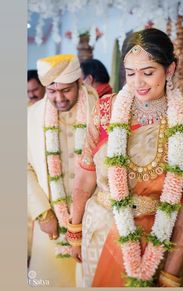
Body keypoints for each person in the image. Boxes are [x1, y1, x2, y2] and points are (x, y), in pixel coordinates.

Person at [69, 28, 183, 287]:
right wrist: (74, 230)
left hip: (159, 239)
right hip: (99, 233)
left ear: (170, 69)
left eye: (148, 72)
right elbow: (85, 177)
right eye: (130, 73)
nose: (137, 83)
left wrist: (170, 274)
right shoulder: (106, 109)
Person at [27, 54, 98, 287]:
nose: (59, 98)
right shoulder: (32, 115)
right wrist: (42, 212)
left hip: (93, 220)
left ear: (79, 82)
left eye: (66, 90)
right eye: (52, 91)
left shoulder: (99, 109)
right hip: (51, 226)